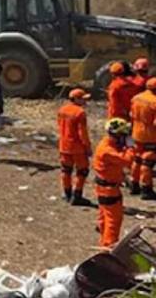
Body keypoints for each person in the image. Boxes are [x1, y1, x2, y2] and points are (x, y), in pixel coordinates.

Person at [94, 118, 133, 248]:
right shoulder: (108, 151)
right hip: (109, 189)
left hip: (105, 187)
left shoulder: (107, 144)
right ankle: (108, 249)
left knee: (105, 217)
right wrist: (131, 146)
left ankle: (103, 242)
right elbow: (127, 161)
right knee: (113, 221)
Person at [57, 88, 93, 206]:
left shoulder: (62, 110)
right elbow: (82, 133)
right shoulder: (80, 113)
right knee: (82, 171)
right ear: (76, 99)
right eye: (83, 99)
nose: (85, 101)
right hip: (77, 147)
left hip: (64, 145)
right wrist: (87, 147)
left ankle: (67, 194)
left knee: (66, 170)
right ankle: (77, 196)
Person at [130, 77, 156, 201]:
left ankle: (134, 185)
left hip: (137, 134)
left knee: (137, 159)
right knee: (148, 161)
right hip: (151, 136)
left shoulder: (136, 98)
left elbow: (131, 115)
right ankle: (146, 189)